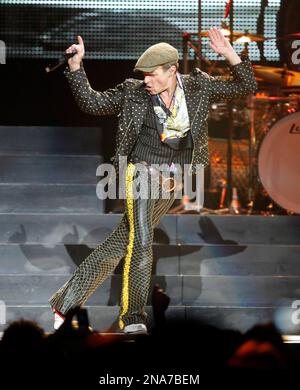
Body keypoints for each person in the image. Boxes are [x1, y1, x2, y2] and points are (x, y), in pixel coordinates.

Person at [49, 27, 257, 334]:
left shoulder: (198, 86)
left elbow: (246, 85)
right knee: (143, 240)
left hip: (173, 180)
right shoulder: (134, 92)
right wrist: (77, 68)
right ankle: (133, 318)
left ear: (172, 70)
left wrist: (228, 53)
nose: (146, 80)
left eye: (152, 74)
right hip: (142, 173)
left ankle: (63, 303)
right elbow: (93, 104)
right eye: (143, 74)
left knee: (121, 242)